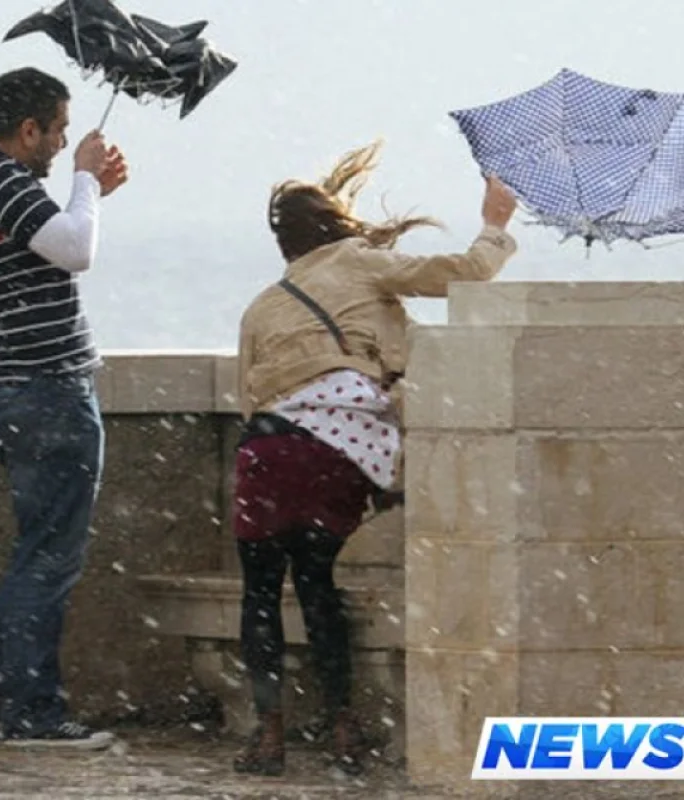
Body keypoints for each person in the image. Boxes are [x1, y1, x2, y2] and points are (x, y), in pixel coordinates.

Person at [231, 142, 517, 776]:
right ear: (335, 224)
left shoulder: (263, 304)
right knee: (317, 586)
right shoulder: (360, 262)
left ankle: (269, 735)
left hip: (266, 451)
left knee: (259, 594)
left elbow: (247, 397)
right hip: (334, 450)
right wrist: (495, 223)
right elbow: (467, 272)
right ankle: (342, 726)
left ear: (285, 244)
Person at [0, 67, 128, 750]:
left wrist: (90, 191)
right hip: (46, 389)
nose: (63, 143)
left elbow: (59, 242)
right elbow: (77, 251)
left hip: (16, 390)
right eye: (58, 130)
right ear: (28, 130)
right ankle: (32, 711)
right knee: (51, 557)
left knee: (38, 550)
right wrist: (85, 180)